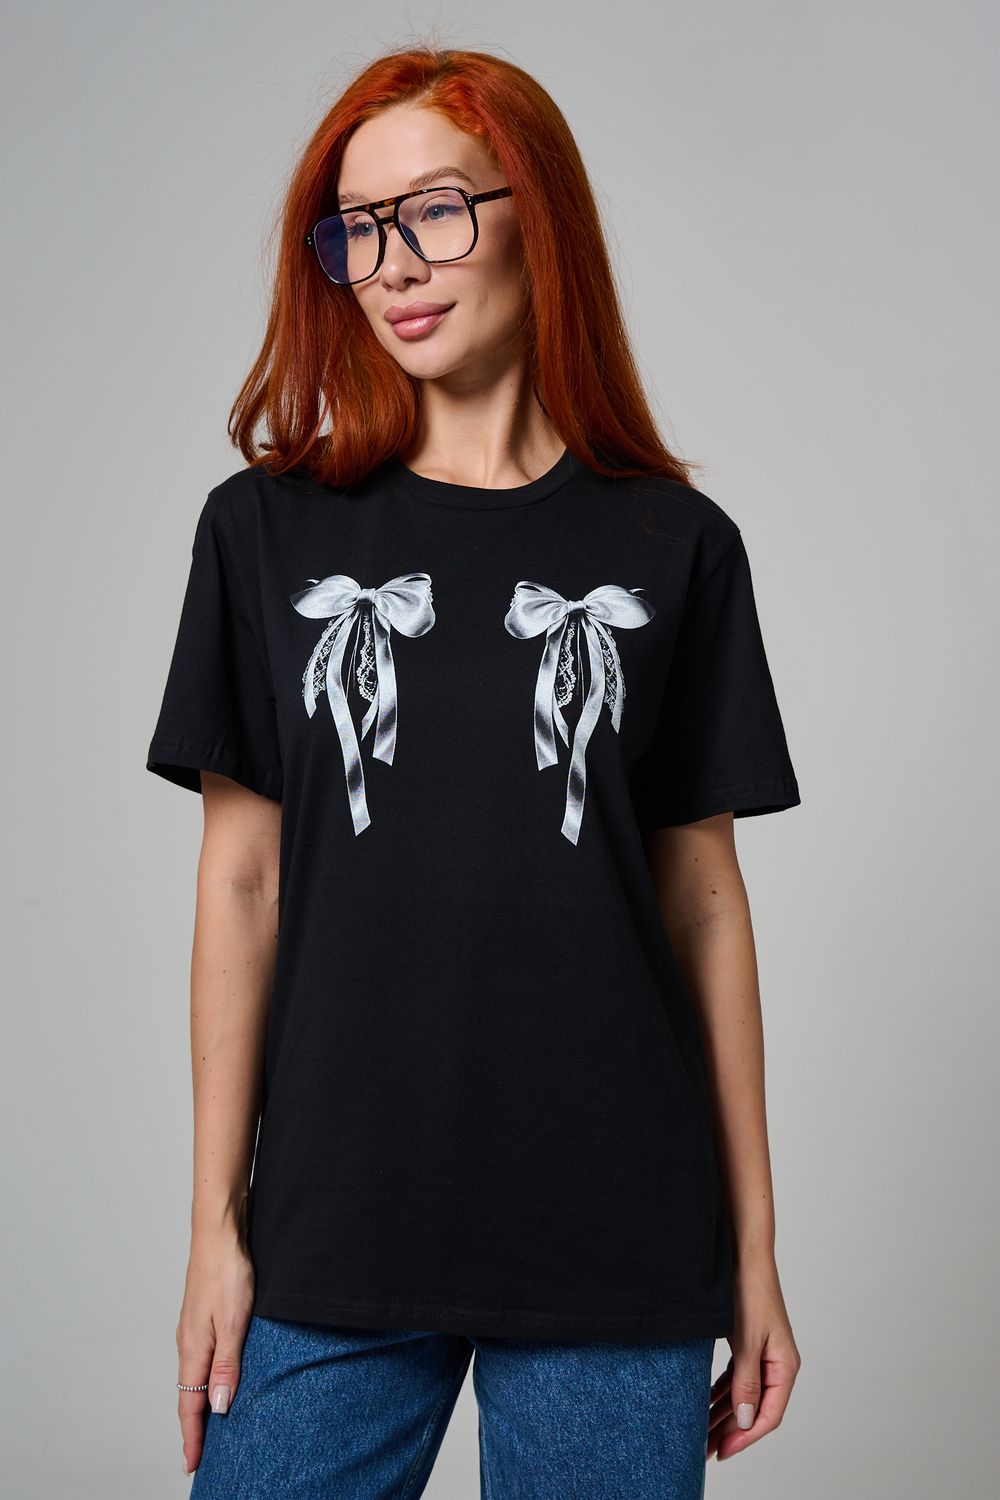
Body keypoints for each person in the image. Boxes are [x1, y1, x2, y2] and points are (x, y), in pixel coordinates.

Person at [147, 44, 804, 1499]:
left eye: (436, 211)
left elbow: (705, 905)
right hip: (332, 1218)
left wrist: (754, 1253)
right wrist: (211, 1229)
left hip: (614, 1232)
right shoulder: (262, 533)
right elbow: (242, 883)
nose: (393, 265)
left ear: (535, 216)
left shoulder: (676, 548)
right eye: (356, 231)